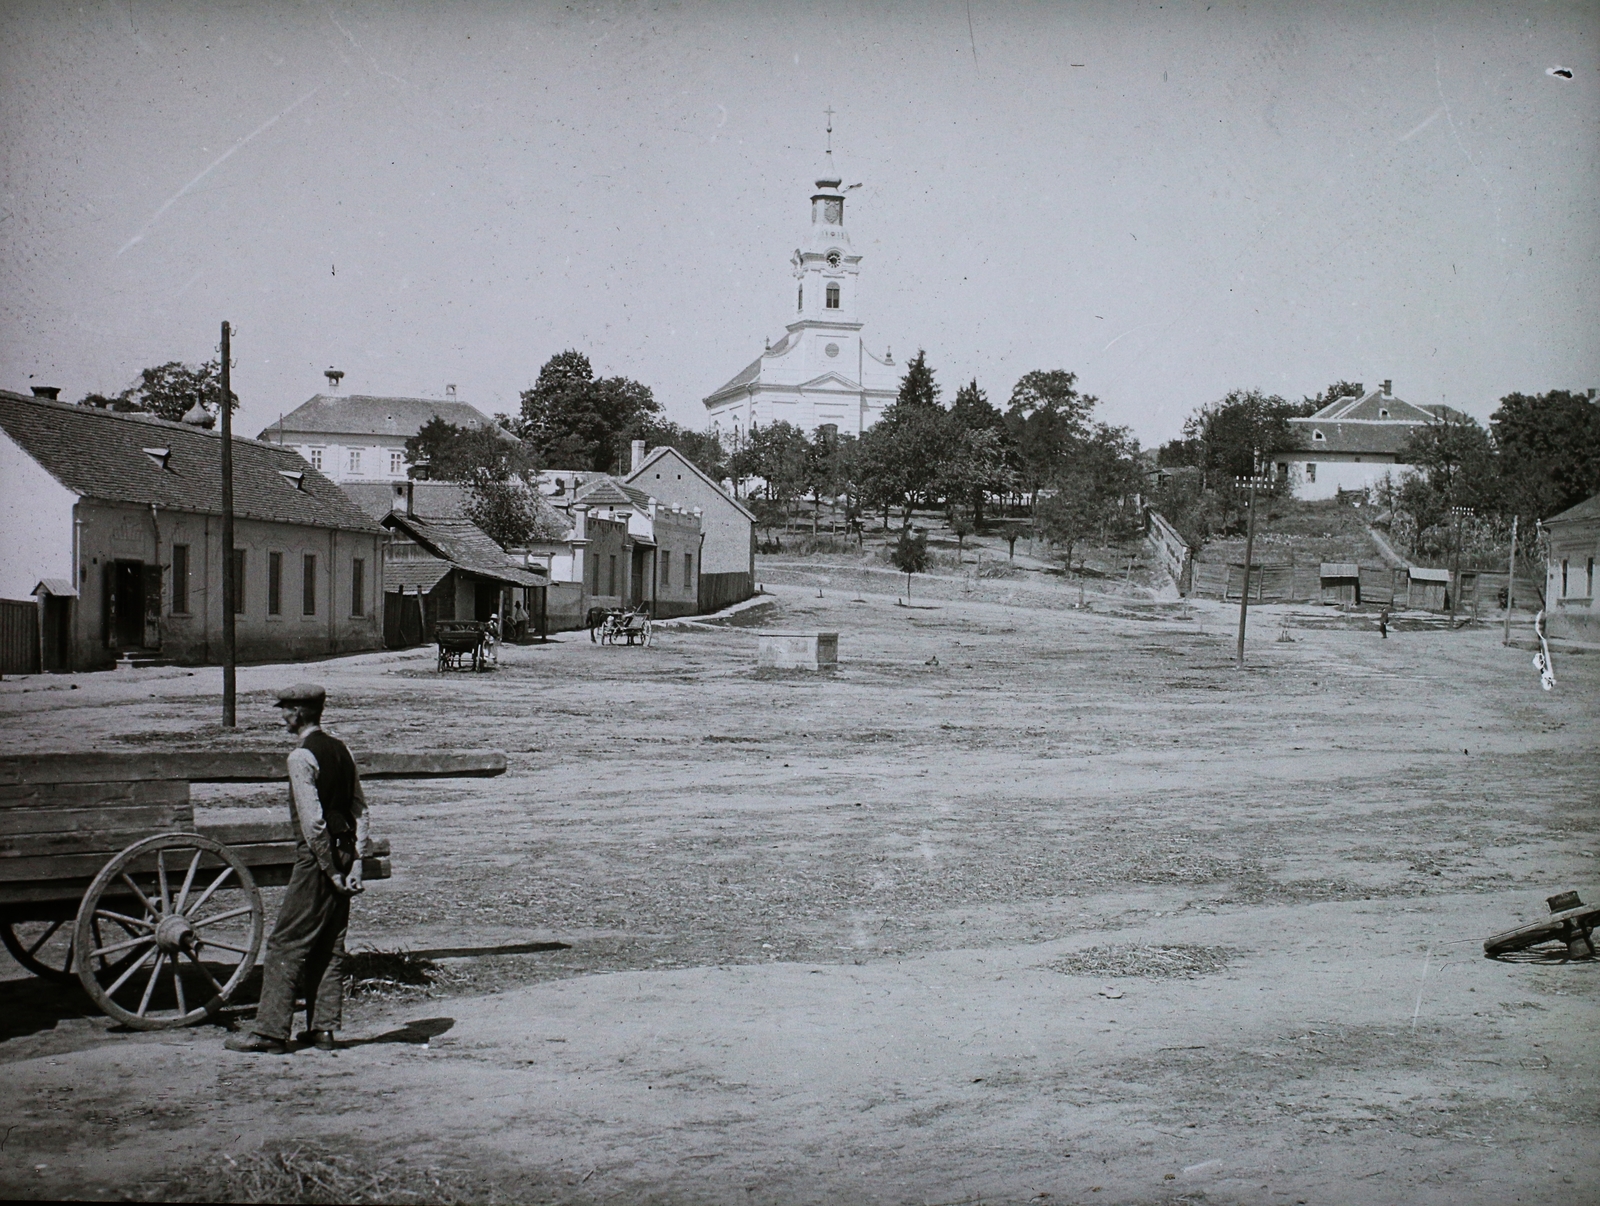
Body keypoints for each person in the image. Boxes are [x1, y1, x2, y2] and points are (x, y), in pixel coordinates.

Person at [226, 683, 368, 1054]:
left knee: (285, 942)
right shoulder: (342, 749)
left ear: (301, 712)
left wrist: (330, 871)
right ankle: (323, 1030)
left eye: (286, 708)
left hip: (317, 860)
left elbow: (314, 824)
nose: (283, 715)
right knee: (329, 944)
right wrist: (355, 864)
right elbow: (360, 810)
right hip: (343, 854)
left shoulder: (300, 757)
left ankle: (270, 1033)